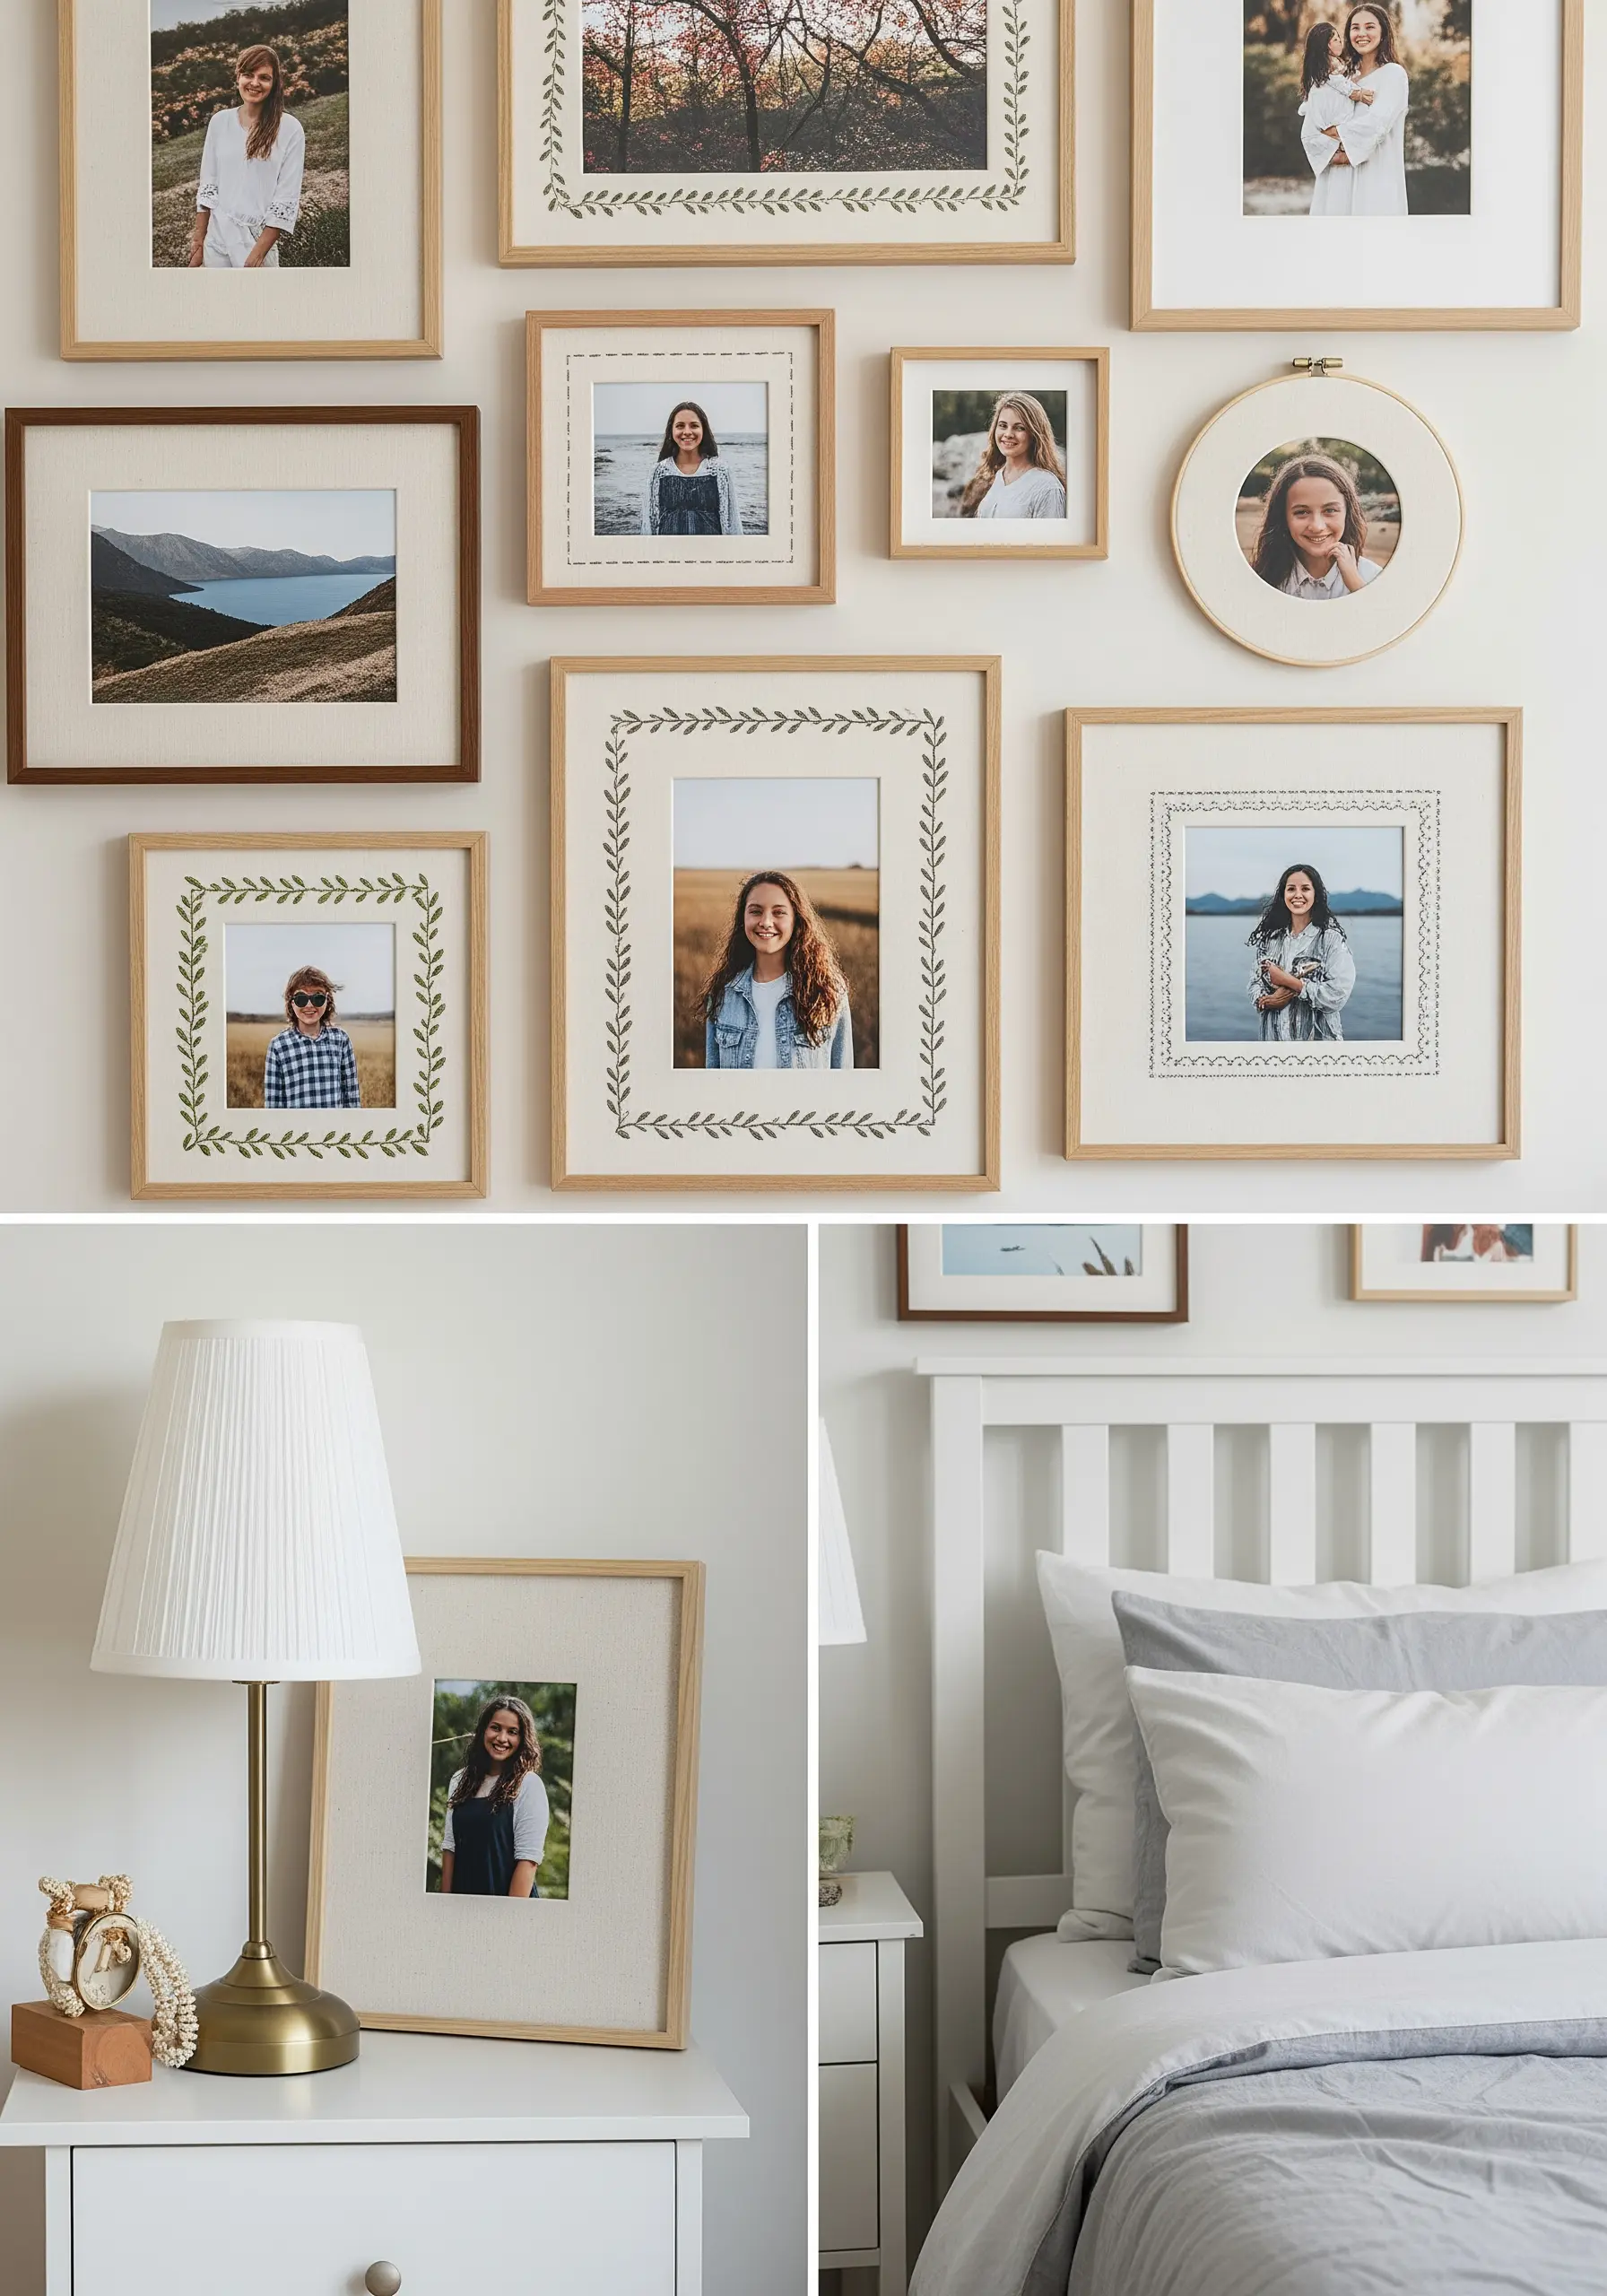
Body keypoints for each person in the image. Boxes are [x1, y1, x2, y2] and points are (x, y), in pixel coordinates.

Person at [701, 872, 854, 1070]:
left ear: (796, 919)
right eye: (755, 911)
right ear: (743, 918)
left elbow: (843, 1079)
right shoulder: (722, 993)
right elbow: (713, 1085)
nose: (765, 922)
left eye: (779, 912)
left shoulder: (829, 992)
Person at [187, 46, 306, 269]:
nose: (254, 83)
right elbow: (208, 186)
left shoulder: (290, 129)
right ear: (238, 77)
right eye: (248, 75)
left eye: (264, 77)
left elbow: (286, 200)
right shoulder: (220, 122)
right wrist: (199, 241)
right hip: (216, 238)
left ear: (275, 83)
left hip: (255, 242)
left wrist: (255, 257)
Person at [439, 1697, 551, 1900]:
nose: (502, 1738)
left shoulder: (528, 1784)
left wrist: (507, 1919)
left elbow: (528, 1860)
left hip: (509, 1907)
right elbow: (450, 1848)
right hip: (461, 1905)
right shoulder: (459, 1780)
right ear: (483, 1730)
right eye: (496, 1728)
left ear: (523, 1738)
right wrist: (443, 1905)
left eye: (512, 1732)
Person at [1249, 451, 1382, 600]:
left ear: (1348, 513)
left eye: (1330, 510)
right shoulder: (1259, 579)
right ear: (1283, 517)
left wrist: (1356, 585)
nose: (1317, 527)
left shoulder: (1374, 576)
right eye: (1302, 512)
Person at [1316, 6, 1411, 217]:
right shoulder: (1341, 80)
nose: (1361, 34)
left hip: (1374, 179)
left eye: (1370, 27)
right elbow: (1317, 121)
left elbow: (1375, 125)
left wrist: (1329, 138)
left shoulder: (1393, 75)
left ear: (1383, 32)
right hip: (1335, 180)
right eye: (1355, 28)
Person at [1246, 864, 1356, 1041]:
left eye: (1305, 888)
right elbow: (1253, 985)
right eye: (1291, 889)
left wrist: (1291, 983)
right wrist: (1269, 1000)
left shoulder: (1330, 939)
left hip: (1318, 1051)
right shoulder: (1270, 939)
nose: (1298, 895)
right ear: (1283, 895)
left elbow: (1337, 996)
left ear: (1315, 894)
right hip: (1272, 1046)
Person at [1298, 20, 1377, 217]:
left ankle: (1341, 153)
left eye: (1339, 38)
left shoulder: (1333, 65)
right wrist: (1358, 93)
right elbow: (1340, 84)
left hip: (1328, 124)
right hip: (1323, 124)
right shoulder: (1329, 66)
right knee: (1335, 148)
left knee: (1333, 148)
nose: (1340, 42)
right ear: (1326, 45)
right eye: (1336, 39)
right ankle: (1343, 153)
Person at [263, 966, 361, 1109]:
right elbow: (273, 1106)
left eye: (318, 997)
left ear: (327, 1001)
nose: (309, 1005)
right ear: (292, 1003)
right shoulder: (278, 1046)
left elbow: (352, 1099)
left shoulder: (341, 1040)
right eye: (301, 999)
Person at [959, 395, 1068, 521]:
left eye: (1019, 428)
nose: (1008, 434)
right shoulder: (994, 477)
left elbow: (1049, 540)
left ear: (1034, 434)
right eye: (1003, 426)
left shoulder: (1047, 487)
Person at [642, 403, 745, 536]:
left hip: (710, 552)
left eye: (694, 425)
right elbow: (648, 523)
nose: (687, 432)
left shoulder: (720, 470)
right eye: (680, 426)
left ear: (704, 430)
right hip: (669, 552)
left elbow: (733, 521)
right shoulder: (658, 472)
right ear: (671, 431)